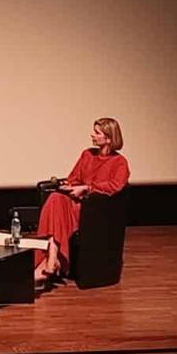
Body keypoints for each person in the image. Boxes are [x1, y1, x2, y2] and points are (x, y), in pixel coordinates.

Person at [31, 117, 129, 286]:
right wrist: (69, 186)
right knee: (55, 198)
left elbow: (115, 186)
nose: (92, 135)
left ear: (108, 138)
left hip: (94, 209)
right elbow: (74, 178)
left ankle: (49, 263)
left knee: (61, 210)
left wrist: (87, 188)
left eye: (97, 133)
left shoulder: (119, 162)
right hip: (76, 201)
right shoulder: (87, 154)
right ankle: (52, 259)